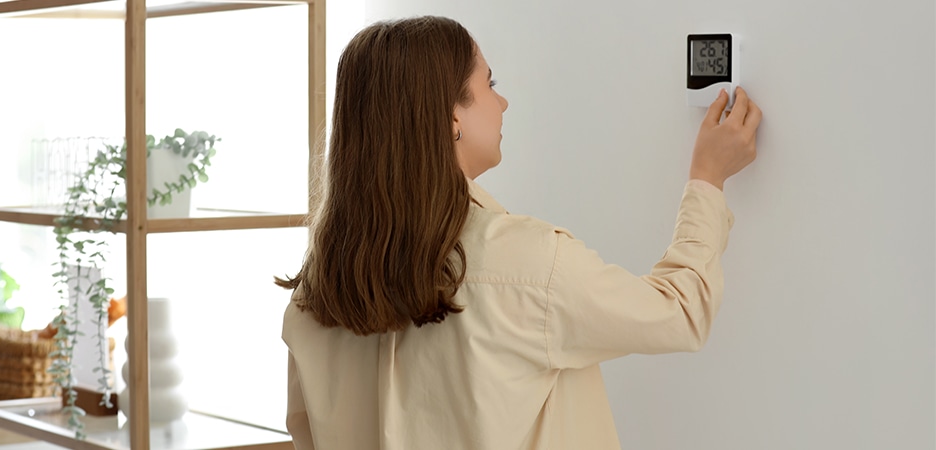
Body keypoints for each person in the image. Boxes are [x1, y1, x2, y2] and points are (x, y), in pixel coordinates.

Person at [277, 15, 762, 450]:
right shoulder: (527, 265)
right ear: (452, 119)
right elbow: (679, 312)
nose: (503, 101)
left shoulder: (313, 296)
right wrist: (707, 179)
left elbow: (306, 435)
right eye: (490, 83)